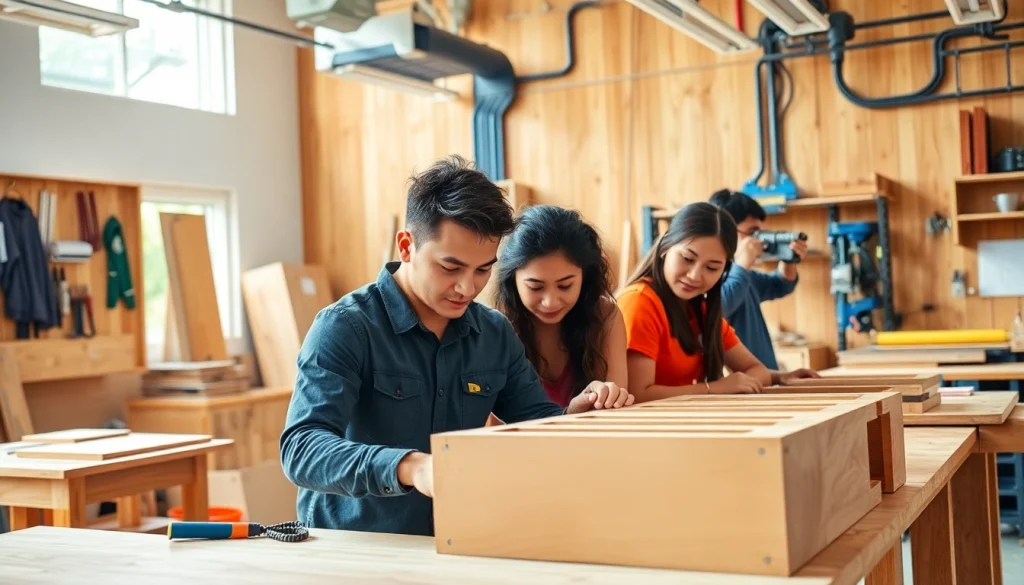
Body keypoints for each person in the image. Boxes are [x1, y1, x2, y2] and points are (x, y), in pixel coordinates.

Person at [279, 155, 634, 537]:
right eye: (450, 268)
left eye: (483, 269)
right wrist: (410, 466)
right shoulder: (347, 326)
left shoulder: (493, 333)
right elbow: (301, 448)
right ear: (406, 246)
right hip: (353, 544)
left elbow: (535, 419)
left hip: (452, 539)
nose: (468, 287)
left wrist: (572, 416)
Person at [616, 201, 773, 401]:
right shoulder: (639, 301)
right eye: (687, 259)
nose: (695, 276)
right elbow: (637, 393)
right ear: (665, 248)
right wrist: (713, 388)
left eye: (712, 268)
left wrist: (760, 379)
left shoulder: (702, 309)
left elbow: (758, 370)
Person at [491, 205, 628, 409]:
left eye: (565, 285)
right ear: (513, 280)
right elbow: (493, 427)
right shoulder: (496, 327)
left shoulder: (605, 315)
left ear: (585, 277)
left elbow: (615, 408)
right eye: (535, 287)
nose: (550, 302)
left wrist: (606, 396)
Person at [708, 189, 819, 384]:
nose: (759, 240)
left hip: (763, 380)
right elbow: (718, 308)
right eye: (752, 233)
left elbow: (781, 284)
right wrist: (742, 263)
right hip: (739, 390)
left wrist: (789, 258)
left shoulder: (743, 276)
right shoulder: (709, 278)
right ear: (724, 229)